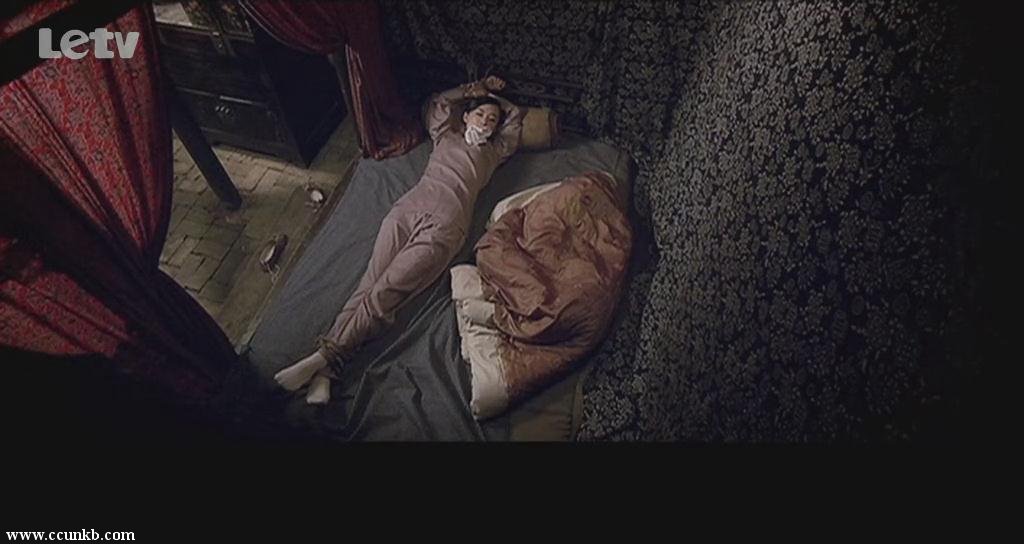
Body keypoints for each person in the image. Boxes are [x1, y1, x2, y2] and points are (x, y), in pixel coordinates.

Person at [274, 75, 526, 404]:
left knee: (387, 290)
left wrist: (497, 100)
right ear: (465, 116)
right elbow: (439, 103)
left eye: (492, 120)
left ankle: (323, 357)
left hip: (446, 224)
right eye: (480, 114)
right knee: (369, 282)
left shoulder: (494, 152)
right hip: (408, 208)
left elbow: (515, 117)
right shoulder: (445, 135)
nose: (486, 122)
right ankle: (325, 373)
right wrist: (474, 89)